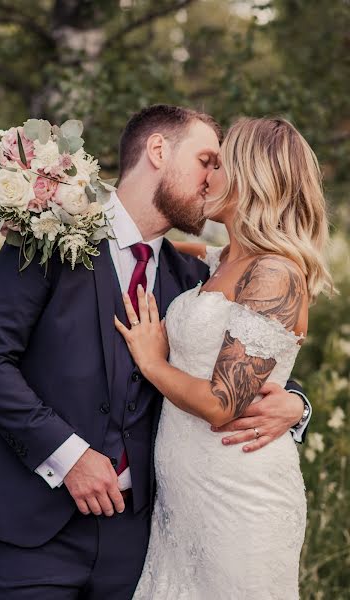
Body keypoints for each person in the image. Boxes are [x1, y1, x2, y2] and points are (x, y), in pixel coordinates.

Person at [0, 107, 310, 599]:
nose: (212, 178)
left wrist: (295, 404)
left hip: (140, 537)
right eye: (207, 159)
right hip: (30, 529)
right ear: (158, 152)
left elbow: (239, 359)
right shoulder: (47, 235)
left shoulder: (193, 284)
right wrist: (69, 457)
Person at [115, 116, 334, 599]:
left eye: (218, 164)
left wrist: (153, 363)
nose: (207, 176)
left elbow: (222, 404)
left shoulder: (275, 274)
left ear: (250, 177)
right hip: (184, 500)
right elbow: (142, 240)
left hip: (238, 497)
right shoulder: (222, 261)